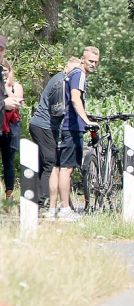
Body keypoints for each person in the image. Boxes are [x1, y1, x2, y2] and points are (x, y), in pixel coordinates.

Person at [51, 46, 100, 222]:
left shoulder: (72, 74)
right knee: (67, 168)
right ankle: (65, 209)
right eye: (90, 61)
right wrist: (86, 120)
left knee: (58, 168)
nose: (93, 65)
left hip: (63, 126)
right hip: (71, 127)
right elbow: (74, 98)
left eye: (96, 62)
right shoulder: (79, 74)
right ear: (82, 59)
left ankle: (52, 208)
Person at [30, 58, 81, 208]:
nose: (75, 74)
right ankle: (43, 202)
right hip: (44, 125)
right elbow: (58, 109)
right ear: (67, 66)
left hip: (42, 125)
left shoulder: (60, 79)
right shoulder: (61, 81)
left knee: (45, 162)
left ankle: (38, 198)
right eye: (74, 70)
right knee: (50, 163)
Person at [1, 59, 23, 201]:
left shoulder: (16, 86)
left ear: (10, 71)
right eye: (1, 69)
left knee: (8, 160)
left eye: (5, 69)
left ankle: (9, 193)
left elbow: (17, 102)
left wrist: (6, 91)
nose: (3, 72)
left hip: (12, 126)